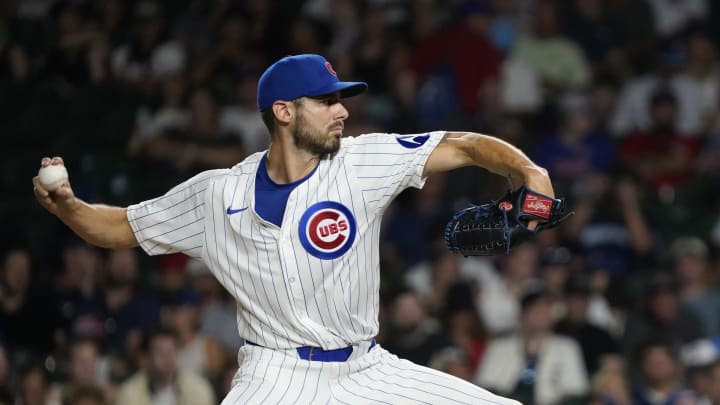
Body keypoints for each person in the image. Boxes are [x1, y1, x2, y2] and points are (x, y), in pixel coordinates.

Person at [33, 53, 559, 404]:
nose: (341, 111)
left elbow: (465, 144)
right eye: (326, 100)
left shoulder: (360, 164)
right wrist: (68, 206)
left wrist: (528, 172)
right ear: (284, 111)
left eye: (340, 99)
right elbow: (121, 227)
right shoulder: (217, 195)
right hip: (274, 379)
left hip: (366, 370)